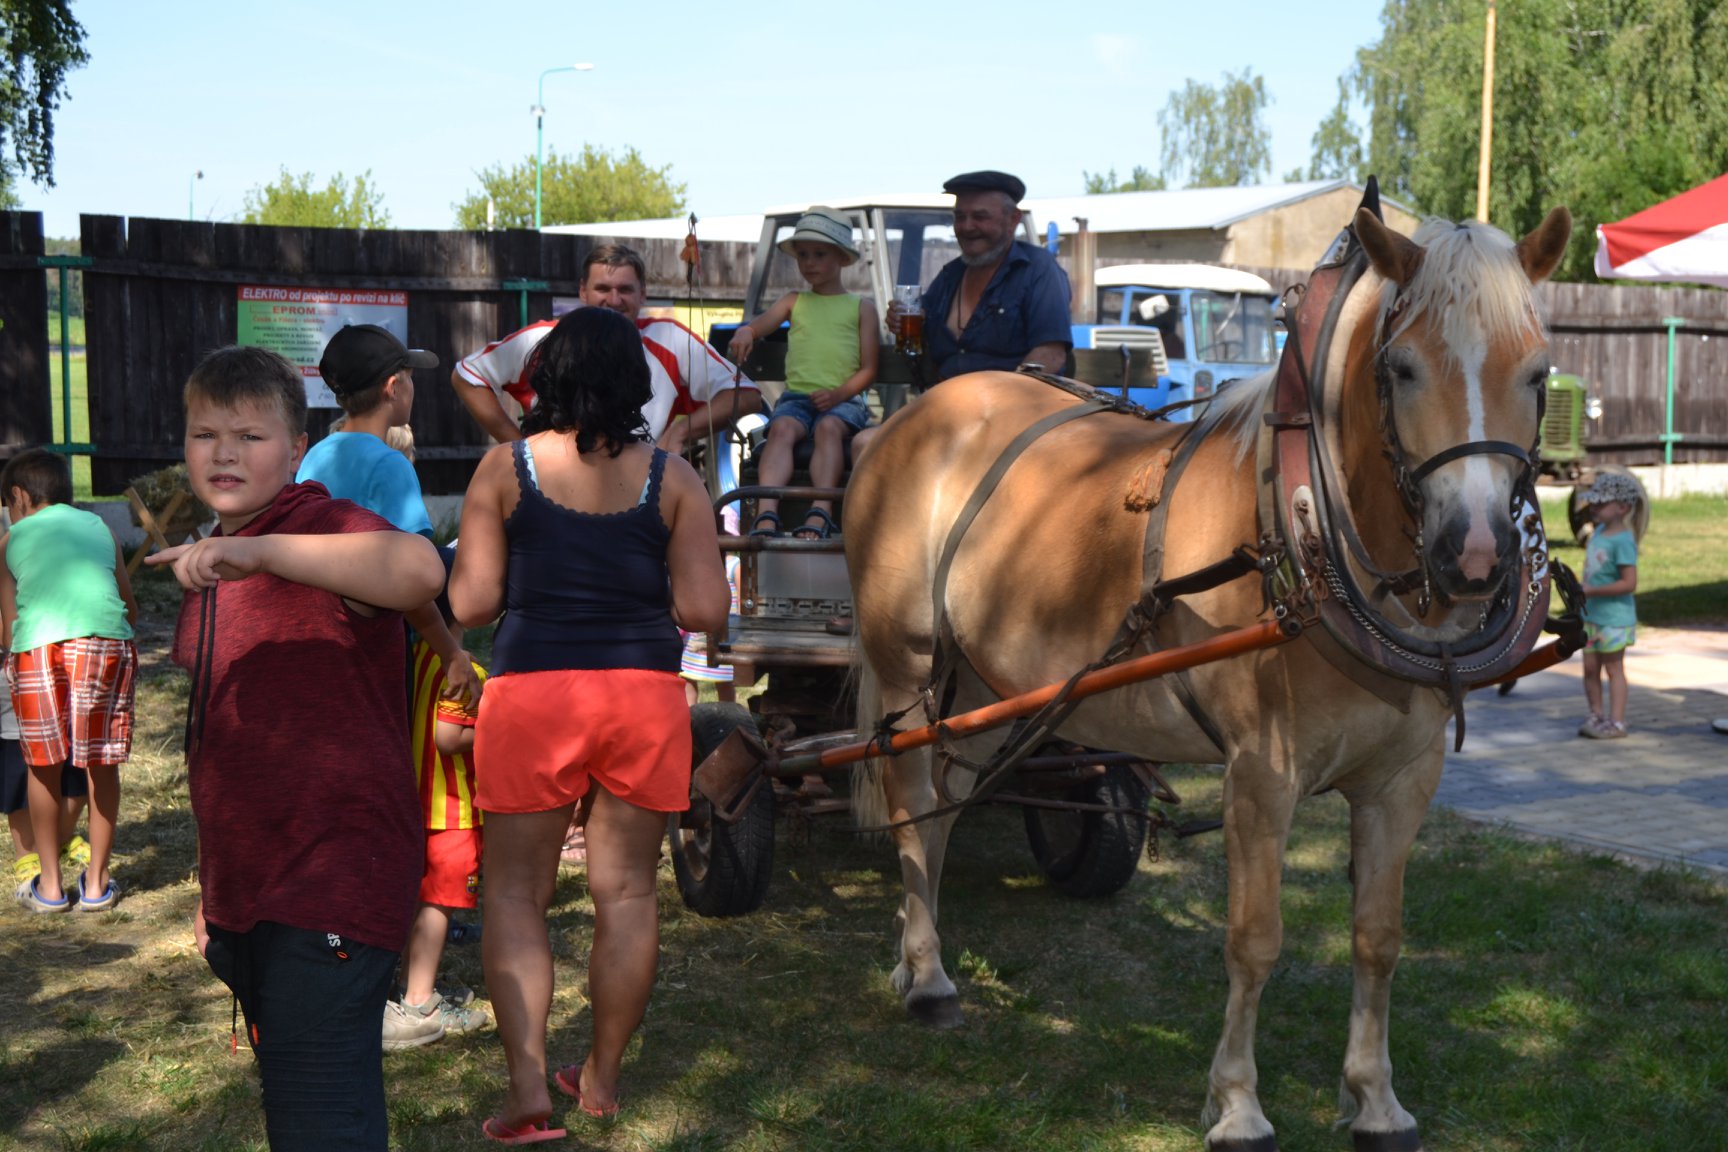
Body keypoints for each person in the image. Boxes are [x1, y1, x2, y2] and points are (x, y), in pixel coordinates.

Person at [147, 345, 444, 1150]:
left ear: (295, 445)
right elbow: (217, 741)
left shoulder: (316, 523)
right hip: (253, 897)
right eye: (206, 434)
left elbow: (419, 570)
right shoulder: (209, 551)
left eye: (250, 435)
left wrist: (262, 553)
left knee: (319, 1124)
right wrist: (217, 898)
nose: (225, 453)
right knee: (315, 1118)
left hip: (333, 884)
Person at [448, 307, 729, 1143]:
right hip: (641, 698)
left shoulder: (505, 470)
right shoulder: (673, 478)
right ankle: (601, 1080)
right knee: (629, 894)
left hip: (534, 695)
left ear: (546, 379)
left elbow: (471, 604)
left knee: (513, 893)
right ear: (638, 383)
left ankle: (529, 1085)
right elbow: (706, 608)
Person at [297, 325, 481, 710]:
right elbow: (413, 582)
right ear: (393, 387)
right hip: (378, 640)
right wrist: (451, 654)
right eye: (411, 381)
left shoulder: (316, 454)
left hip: (319, 630)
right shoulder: (391, 464)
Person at [449, 242, 762, 452]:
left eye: (625, 289)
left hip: (638, 485)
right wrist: (517, 448)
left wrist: (680, 433)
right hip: (550, 485)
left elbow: (746, 394)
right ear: (583, 292)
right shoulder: (544, 339)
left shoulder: (669, 338)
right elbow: (467, 375)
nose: (614, 300)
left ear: (643, 294)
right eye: (602, 288)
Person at [851, 169, 1073, 461]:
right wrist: (900, 322)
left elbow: (1050, 354)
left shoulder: (1038, 269)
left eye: (980, 216)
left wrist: (997, 406)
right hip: (946, 412)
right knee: (865, 444)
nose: (967, 226)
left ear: (1013, 220)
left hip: (1013, 420)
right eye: (959, 216)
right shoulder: (950, 276)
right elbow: (918, 328)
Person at [1, 447, 138, 913]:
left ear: (18, 497)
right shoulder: (100, 529)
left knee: (43, 765)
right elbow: (130, 607)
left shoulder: (8, 541)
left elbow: (7, 628)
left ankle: (51, 888)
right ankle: (97, 884)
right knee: (101, 765)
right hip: (103, 643)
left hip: (37, 649)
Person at [391, 545, 491, 1046]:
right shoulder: (464, 673)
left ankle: (412, 986)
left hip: (408, 805)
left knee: (418, 900)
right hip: (449, 810)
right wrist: (500, 727)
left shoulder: (412, 656)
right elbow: (449, 739)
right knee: (438, 907)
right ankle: (419, 1004)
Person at [728, 206, 879, 540]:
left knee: (828, 429)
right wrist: (747, 332)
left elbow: (869, 368)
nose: (809, 263)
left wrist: (839, 394)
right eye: (803, 255)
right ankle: (767, 513)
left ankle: (820, 510)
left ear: (841, 257)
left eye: (820, 254)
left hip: (844, 401)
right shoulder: (794, 301)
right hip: (797, 398)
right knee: (779, 430)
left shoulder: (861, 308)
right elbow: (760, 325)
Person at [1577, 472, 1641, 740]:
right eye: (1593, 503)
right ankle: (1596, 715)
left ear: (1622, 508)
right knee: (1590, 669)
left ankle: (1617, 722)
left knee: (1614, 670)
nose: (1594, 508)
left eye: (1601, 504)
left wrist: (1592, 590)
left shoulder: (1624, 541)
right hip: (1590, 615)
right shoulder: (1600, 531)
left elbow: (1629, 583)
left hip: (1614, 618)